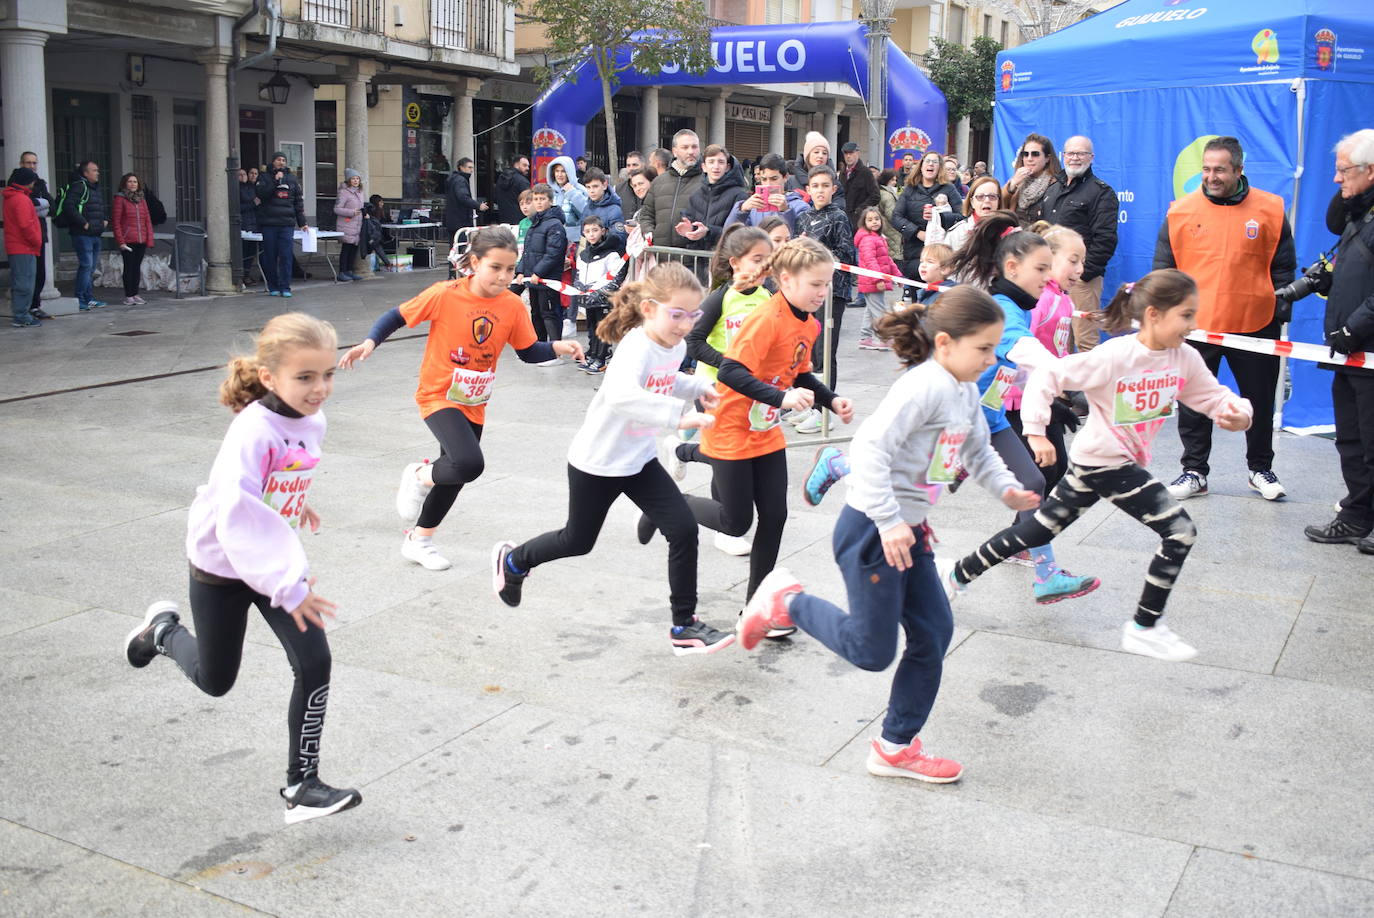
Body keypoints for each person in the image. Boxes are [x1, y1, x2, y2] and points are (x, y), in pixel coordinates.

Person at [738, 288, 1038, 783]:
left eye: (993, 348)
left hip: (908, 531)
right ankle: (786, 602)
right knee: (871, 651)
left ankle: (895, 747)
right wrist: (890, 520)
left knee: (933, 633)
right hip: (874, 531)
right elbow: (871, 449)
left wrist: (1006, 491)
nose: (991, 357)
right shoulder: (922, 387)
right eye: (983, 348)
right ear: (945, 343)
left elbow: (978, 450)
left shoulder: (964, 388)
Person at [123, 312, 362, 824]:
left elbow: (280, 475)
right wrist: (288, 586)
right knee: (215, 680)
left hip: (270, 560)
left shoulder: (310, 417)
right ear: (270, 378)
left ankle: (302, 784)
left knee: (315, 662)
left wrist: (296, 501)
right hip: (224, 565)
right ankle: (162, 632)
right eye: (306, 377)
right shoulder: (251, 430)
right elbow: (238, 515)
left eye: (328, 374)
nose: (320, 389)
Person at [949, 270, 1254, 662]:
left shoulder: (1185, 357)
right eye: (1186, 315)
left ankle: (956, 574)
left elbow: (1213, 396)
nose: (1193, 325)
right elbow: (1051, 375)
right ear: (1155, 315)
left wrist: (1237, 413)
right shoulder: (1117, 355)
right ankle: (1145, 626)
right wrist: (1036, 431)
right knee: (1179, 532)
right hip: (1105, 462)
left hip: (1107, 460)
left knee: (1037, 529)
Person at [491, 262, 735, 656]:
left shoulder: (671, 344)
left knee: (684, 529)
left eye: (693, 316)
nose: (685, 325)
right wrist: (678, 416)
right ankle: (515, 560)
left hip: (638, 461)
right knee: (578, 540)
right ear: (650, 308)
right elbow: (623, 395)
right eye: (677, 315)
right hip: (597, 463)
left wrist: (700, 385)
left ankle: (683, 626)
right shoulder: (637, 345)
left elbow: (665, 379)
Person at [339, 227, 583, 570]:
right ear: (474, 262)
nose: (502, 276)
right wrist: (369, 342)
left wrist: (557, 346)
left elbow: (527, 352)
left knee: (455, 472)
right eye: (495, 267)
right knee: (469, 463)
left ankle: (420, 539)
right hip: (438, 394)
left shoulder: (512, 305)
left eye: (510, 269)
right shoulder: (445, 294)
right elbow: (396, 316)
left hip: (474, 399)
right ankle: (421, 475)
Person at [669, 238, 854, 619]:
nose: (823, 292)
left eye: (826, 284)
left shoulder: (810, 323)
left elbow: (800, 373)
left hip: (765, 428)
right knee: (735, 522)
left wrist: (830, 399)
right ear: (786, 280)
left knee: (775, 516)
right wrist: (781, 398)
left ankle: (754, 607)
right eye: (815, 284)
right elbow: (732, 371)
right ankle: (672, 506)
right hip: (731, 424)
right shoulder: (766, 319)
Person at [963, 212, 1099, 603]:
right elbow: (1027, 351)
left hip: (989, 417)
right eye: (1042, 268)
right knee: (912, 478)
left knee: (1034, 483)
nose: (1049, 275)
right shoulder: (1002, 307)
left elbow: (1025, 366)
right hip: (955, 416)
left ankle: (1046, 574)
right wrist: (1087, 376)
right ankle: (841, 465)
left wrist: (1052, 403)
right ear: (1012, 267)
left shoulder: (1022, 303)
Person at [1152, 136, 1295, 503]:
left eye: (1219, 169)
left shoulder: (1271, 209)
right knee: (1194, 400)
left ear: (1238, 170)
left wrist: (1279, 314)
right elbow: (1165, 268)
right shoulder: (1180, 210)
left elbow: (1283, 267)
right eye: (1206, 168)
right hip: (1197, 326)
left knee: (1259, 402)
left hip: (1256, 323)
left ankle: (1260, 468)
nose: (1211, 176)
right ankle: (1194, 471)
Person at [1305, 129, 1374, 553]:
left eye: (1343, 171)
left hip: (1367, 345)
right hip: (1348, 350)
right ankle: (1355, 516)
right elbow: (1333, 220)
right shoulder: (1357, 212)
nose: (1335, 179)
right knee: (1351, 438)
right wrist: (1354, 192)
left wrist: (1355, 328)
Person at [1001, 221, 1086, 549]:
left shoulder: (1064, 299)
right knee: (1038, 470)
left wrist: (1061, 395)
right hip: (1021, 398)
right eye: (1074, 260)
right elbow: (1021, 350)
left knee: (1056, 466)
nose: (1080, 268)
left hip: (1047, 394)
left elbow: (1060, 350)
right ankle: (1024, 539)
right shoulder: (1037, 301)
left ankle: (1021, 532)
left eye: (1082, 261)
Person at [793, 165, 857, 427]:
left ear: (834, 188)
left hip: (833, 291)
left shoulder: (839, 216)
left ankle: (825, 410)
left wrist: (818, 249)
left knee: (826, 350)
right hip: (807, 291)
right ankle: (810, 403)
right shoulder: (805, 217)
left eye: (824, 186)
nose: (820, 191)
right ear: (808, 190)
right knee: (809, 351)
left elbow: (847, 255)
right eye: (815, 186)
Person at [1040, 136, 1118, 351]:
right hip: (1051, 280)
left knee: (1085, 342)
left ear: (1091, 158)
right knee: (1054, 341)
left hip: (1082, 281)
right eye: (1070, 153)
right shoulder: (1052, 189)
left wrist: (1081, 273)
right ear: (1062, 156)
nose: (1075, 158)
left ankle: (1088, 387)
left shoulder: (1102, 192)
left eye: (1081, 153)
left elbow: (1105, 239)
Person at [892, 151, 963, 285]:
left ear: (939, 167)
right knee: (916, 297)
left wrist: (940, 217)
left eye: (935, 162)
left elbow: (962, 216)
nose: (931, 164)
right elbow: (896, 217)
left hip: (940, 250)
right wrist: (917, 233)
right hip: (915, 251)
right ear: (921, 166)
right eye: (927, 161)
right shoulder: (910, 189)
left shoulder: (949, 189)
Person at [571, 214, 628, 373]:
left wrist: (601, 292)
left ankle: (601, 359)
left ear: (603, 231)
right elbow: (578, 274)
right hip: (588, 299)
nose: (591, 234)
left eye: (595, 230)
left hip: (603, 299)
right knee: (592, 328)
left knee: (603, 329)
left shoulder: (611, 254)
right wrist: (579, 288)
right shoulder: (583, 255)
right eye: (587, 231)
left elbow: (617, 276)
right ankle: (593, 355)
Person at [514, 182, 569, 348]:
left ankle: (555, 349)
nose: (538, 202)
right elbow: (527, 251)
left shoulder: (555, 224)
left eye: (542, 199)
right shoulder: (534, 223)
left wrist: (538, 272)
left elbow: (553, 253)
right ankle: (540, 346)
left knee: (549, 313)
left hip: (547, 279)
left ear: (550, 201)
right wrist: (521, 271)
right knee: (536, 313)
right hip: (533, 278)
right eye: (535, 199)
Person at [255, 152, 308, 298]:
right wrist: (274, 181)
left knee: (286, 256)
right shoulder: (264, 177)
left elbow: (298, 202)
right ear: (273, 162)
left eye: (284, 160)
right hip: (269, 223)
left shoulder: (291, 178)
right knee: (270, 256)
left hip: (286, 223)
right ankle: (273, 285)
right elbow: (261, 194)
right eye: (279, 160)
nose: (282, 162)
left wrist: (302, 222)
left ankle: (285, 286)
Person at [639, 130, 704, 249]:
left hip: (693, 258)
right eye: (685, 147)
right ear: (675, 151)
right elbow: (646, 214)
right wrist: (649, 233)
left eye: (694, 147)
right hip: (660, 256)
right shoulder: (658, 182)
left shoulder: (707, 181)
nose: (691, 151)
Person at [58, 159, 107, 310]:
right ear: (85, 173)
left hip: (95, 233)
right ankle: (80, 298)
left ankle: (88, 297)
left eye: (97, 170)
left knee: (91, 268)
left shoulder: (93, 187)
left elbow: (96, 207)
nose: (97, 173)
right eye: (94, 170)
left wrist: (104, 220)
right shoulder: (79, 186)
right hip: (82, 234)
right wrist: (83, 223)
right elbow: (69, 206)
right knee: (86, 266)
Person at [723, 153, 810, 234]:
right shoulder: (754, 207)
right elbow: (730, 235)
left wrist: (785, 211)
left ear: (785, 177)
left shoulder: (801, 206)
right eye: (764, 179)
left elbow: (799, 240)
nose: (768, 184)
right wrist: (742, 210)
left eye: (774, 179)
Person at [683, 144, 748, 250]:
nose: (716, 166)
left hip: (724, 257)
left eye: (721, 162)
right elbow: (692, 226)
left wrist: (709, 231)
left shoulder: (739, 195)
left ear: (727, 167)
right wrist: (689, 229)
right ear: (704, 167)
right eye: (711, 162)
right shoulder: (695, 195)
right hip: (697, 260)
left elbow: (740, 231)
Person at [854, 205, 901, 351]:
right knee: (879, 311)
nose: (874, 222)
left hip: (872, 281)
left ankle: (865, 338)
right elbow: (870, 261)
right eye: (870, 220)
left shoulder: (878, 238)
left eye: (876, 219)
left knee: (871, 309)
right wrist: (878, 279)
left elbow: (887, 260)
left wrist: (898, 276)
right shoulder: (868, 240)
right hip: (872, 281)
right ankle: (884, 338)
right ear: (864, 223)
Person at [926, 174, 1003, 254]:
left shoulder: (1008, 233)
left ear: (999, 201)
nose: (987, 200)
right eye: (980, 197)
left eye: (992, 196)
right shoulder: (957, 233)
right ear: (972, 202)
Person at [4, 167, 42, 327]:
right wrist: (36, 241)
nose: (33, 184)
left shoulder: (14, 197)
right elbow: (26, 225)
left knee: (21, 281)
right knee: (24, 283)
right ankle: (21, 316)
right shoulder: (21, 199)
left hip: (19, 246)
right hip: (24, 247)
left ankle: (21, 313)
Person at [16, 152, 53, 319]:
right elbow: (26, 207)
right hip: (23, 237)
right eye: (28, 163)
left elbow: (51, 206)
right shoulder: (15, 184)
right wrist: (40, 205)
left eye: (34, 163)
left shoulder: (40, 183)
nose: (32, 166)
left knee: (40, 273)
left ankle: (35, 305)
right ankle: (24, 310)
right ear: (21, 164)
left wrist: (40, 204)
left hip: (40, 233)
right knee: (25, 276)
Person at [112, 172, 154, 306]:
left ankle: (135, 294)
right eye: (130, 181)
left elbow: (147, 220)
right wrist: (121, 241)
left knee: (136, 268)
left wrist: (149, 239)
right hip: (127, 240)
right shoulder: (120, 199)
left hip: (141, 239)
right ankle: (128, 295)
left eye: (135, 182)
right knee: (128, 268)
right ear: (125, 184)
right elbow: (116, 222)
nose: (132, 184)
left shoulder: (142, 199)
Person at [1002, 133, 1062, 227]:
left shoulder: (1056, 185)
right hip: (1016, 237)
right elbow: (1000, 209)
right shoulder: (1017, 183)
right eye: (1025, 154)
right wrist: (1011, 186)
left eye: (1035, 154)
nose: (1029, 159)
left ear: (1047, 158)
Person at [840, 142, 880, 235]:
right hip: (844, 219)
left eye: (851, 153)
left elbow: (875, 196)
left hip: (859, 222)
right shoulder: (842, 174)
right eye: (846, 154)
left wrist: (859, 210)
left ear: (857, 153)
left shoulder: (865, 172)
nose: (848, 156)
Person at [333, 168, 366, 281]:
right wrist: (351, 212)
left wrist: (365, 213)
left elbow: (361, 207)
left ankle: (349, 271)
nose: (356, 181)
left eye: (357, 178)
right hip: (347, 224)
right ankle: (342, 272)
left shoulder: (360, 192)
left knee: (353, 249)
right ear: (348, 180)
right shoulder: (344, 192)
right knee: (346, 248)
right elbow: (337, 209)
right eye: (353, 178)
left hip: (357, 225)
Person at [546, 156, 588, 241]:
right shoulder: (550, 191)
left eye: (563, 171)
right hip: (554, 239)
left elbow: (587, 212)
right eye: (557, 171)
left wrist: (572, 193)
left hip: (575, 241)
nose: (559, 175)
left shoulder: (580, 189)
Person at [444, 157, 488, 237]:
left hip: (454, 220)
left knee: (455, 245)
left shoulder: (454, 179)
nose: (471, 170)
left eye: (472, 168)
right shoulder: (460, 180)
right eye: (469, 167)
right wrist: (478, 205)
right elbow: (463, 197)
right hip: (461, 220)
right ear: (461, 167)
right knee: (462, 246)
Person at [581, 167, 626, 240]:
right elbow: (582, 233)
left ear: (604, 185)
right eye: (588, 187)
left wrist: (598, 234)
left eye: (595, 186)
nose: (591, 191)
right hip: (590, 249)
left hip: (608, 250)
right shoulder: (587, 208)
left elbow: (619, 237)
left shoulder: (614, 209)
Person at [875, 168, 905, 267]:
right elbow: (891, 215)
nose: (894, 182)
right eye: (892, 180)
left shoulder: (880, 192)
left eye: (895, 180)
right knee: (895, 259)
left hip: (887, 229)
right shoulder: (888, 196)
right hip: (892, 231)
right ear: (886, 180)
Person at [238, 167, 261, 286]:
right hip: (243, 223)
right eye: (240, 175)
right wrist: (253, 204)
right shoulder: (236, 189)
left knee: (251, 252)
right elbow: (237, 208)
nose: (243, 177)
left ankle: (246, 274)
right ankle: (241, 275)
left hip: (253, 223)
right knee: (243, 251)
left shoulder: (252, 188)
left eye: (244, 174)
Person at [494, 155, 531, 224]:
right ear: (516, 165)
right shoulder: (522, 181)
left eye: (528, 166)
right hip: (520, 220)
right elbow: (529, 201)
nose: (527, 168)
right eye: (525, 165)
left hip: (503, 218)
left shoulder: (501, 178)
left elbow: (495, 197)